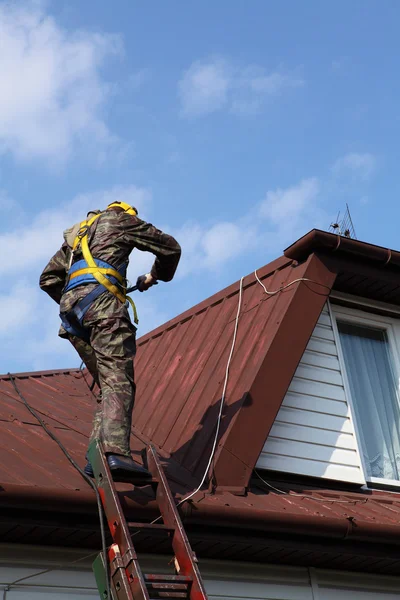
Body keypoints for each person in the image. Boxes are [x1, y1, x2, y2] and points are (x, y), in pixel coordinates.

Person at [39, 201, 181, 479]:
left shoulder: (77, 236)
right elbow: (170, 248)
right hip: (103, 308)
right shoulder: (122, 220)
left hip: (71, 316)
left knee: (107, 384)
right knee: (118, 378)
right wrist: (155, 276)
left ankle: (97, 457)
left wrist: (78, 300)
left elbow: (48, 279)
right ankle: (116, 453)